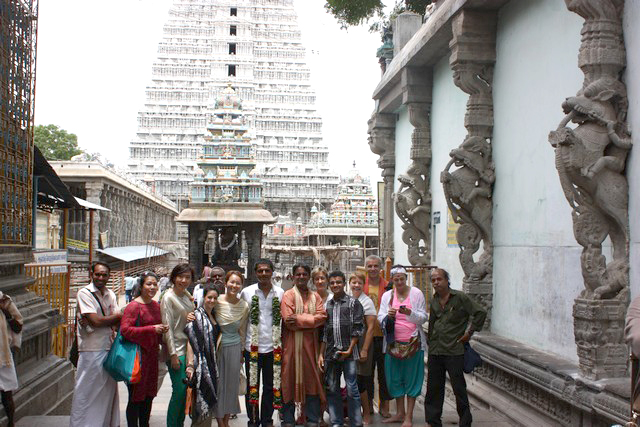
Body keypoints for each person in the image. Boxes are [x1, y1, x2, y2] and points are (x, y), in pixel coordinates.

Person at [424, 268, 487, 427]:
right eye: (433, 280)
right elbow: (432, 322)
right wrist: (430, 342)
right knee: (433, 387)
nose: (436, 282)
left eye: (439, 279)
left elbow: (480, 312)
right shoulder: (434, 300)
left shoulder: (460, 298)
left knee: (458, 388)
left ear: (447, 280)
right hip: (436, 350)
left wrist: (469, 333)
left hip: (454, 350)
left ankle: (465, 421)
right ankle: (433, 420)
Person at [70, 262, 122, 427]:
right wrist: (117, 316)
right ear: (91, 274)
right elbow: (96, 321)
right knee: (86, 391)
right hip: (90, 349)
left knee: (106, 392)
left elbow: (112, 323)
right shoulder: (84, 293)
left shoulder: (110, 294)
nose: (100, 277)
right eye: (97, 274)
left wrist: (109, 319)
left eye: (104, 275)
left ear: (108, 276)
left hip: (108, 347)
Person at [377, 265, 428, 427]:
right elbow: (380, 317)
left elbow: (423, 317)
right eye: (396, 279)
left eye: (402, 279)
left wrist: (410, 313)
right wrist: (388, 316)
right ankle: (400, 413)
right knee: (395, 378)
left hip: (413, 343)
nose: (399, 282)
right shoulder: (387, 295)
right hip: (393, 344)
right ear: (392, 280)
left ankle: (409, 416)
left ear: (406, 278)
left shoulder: (416, 293)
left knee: (412, 379)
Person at [280, 264, 327, 427]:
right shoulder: (288, 295)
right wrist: (312, 321)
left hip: (311, 346)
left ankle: (312, 418)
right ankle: (288, 419)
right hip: (292, 346)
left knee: (312, 379)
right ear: (293, 276)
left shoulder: (316, 297)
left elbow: (322, 317)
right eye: (298, 274)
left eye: (304, 274)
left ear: (308, 277)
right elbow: (289, 321)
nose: (301, 277)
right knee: (288, 379)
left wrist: (300, 319)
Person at [120, 271, 168, 427]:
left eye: (154, 284)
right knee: (135, 397)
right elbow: (125, 330)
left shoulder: (156, 306)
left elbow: (157, 330)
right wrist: (152, 329)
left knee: (149, 396)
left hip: (152, 357)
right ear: (141, 286)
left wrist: (162, 331)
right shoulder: (133, 306)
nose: (152, 287)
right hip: (137, 358)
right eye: (149, 284)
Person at [240, 259, 285, 427]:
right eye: (260, 271)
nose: (264, 274)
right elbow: (242, 319)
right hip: (251, 347)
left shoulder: (280, 293)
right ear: (255, 273)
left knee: (270, 387)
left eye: (267, 270)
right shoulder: (246, 292)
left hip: (273, 348)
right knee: (252, 386)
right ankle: (253, 420)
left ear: (272, 272)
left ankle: (267, 420)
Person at [319, 271, 364, 427]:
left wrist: (349, 350)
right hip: (331, 354)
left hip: (349, 354)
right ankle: (336, 422)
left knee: (352, 389)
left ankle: (356, 422)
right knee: (332, 389)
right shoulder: (328, 305)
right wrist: (321, 354)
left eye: (338, 282)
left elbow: (358, 328)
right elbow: (325, 333)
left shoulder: (353, 303)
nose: (335, 285)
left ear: (344, 284)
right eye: (332, 283)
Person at [161, 263, 196, 427]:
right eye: (180, 276)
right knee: (179, 391)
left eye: (187, 277)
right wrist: (173, 355)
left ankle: (179, 423)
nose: (183, 280)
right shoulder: (168, 298)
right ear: (173, 278)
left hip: (188, 347)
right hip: (176, 348)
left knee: (184, 392)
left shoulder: (186, 295)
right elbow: (167, 327)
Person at [214, 270, 250, 427]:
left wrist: (242, 352)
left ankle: (226, 420)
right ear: (226, 283)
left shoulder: (244, 306)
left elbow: (242, 331)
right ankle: (219, 420)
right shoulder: (216, 301)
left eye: (238, 283)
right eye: (232, 282)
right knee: (218, 384)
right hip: (218, 348)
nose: (234, 285)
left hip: (235, 348)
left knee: (231, 386)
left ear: (241, 286)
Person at [186, 286, 221, 427]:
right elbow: (190, 341)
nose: (212, 300)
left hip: (212, 364)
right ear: (204, 298)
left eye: (215, 298)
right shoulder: (197, 315)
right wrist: (190, 365)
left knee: (208, 401)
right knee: (201, 402)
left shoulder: (214, 315)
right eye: (209, 297)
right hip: (200, 365)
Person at [363, 255, 392, 418]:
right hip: (366, 337)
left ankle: (384, 406)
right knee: (367, 373)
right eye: (370, 266)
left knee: (384, 373)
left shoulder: (388, 287)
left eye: (375, 266)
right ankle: (367, 406)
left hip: (384, 336)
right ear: (366, 268)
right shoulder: (361, 286)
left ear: (380, 268)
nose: (373, 269)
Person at [348, 272, 377, 425]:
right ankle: (354, 413)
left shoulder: (367, 302)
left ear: (363, 284)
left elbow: (371, 328)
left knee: (361, 380)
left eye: (359, 282)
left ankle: (366, 413)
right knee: (351, 380)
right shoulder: (348, 299)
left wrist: (364, 349)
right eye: (354, 282)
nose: (356, 285)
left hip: (362, 345)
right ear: (349, 284)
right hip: (349, 345)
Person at [0, 292, 22, 427]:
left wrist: (5, 311)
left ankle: (10, 423)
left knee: (7, 394)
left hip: (3, 356)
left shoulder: (5, 301)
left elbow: (18, 327)